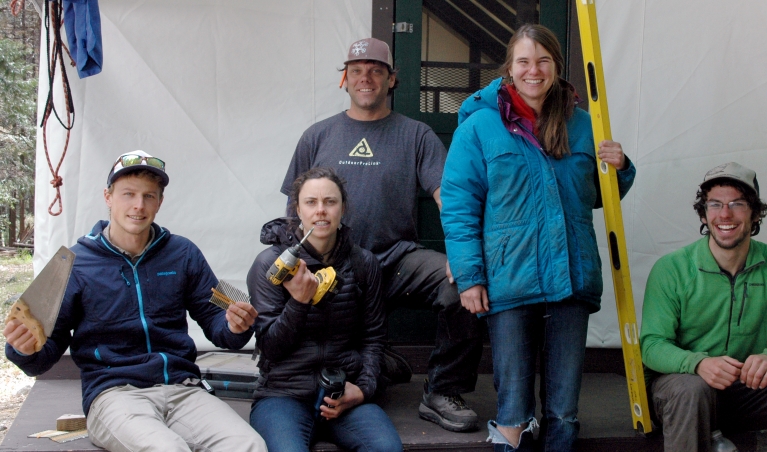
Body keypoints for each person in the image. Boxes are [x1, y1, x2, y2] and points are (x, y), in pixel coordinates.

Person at [440, 24, 636, 451]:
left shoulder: (585, 124)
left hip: (571, 278)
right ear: (509, 69)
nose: (534, 70)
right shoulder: (479, 128)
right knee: (513, 412)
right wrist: (471, 276)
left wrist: (620, 169)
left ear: (556, 67)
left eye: (543, 60)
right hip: (510, 280)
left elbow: (603, 196)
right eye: (524, 61)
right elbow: (459, 205)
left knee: (564, 413)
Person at [281, 37, 483, 432]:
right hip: (335, 269)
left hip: (395, 261)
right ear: (344, 79)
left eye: (376, 71)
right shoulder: (317, 136)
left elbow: (450, 200)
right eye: (357, 71)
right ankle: (385, 365)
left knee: (461, 287)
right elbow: (295, 210)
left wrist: (467, 258)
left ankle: (442, 391)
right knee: (325, 366)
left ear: (392, 79)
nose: (366, 78)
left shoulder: (417, 135)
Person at [3, 150, 266, 452]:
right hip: (114, 395)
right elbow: (45, 352)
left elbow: (218, 325)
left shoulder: (182, 253)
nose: (138, 206)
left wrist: (236, 326)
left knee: (249, 445)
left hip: (183, 390)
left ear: (160, 202)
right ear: (108, 196)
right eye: (128, 194)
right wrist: (22, 349)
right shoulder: (76, 263)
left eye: (149, 196)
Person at [640, 162, 767, 451]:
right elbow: (651, 345)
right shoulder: (672, 268)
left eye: (737, 204)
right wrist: (698, 363)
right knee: (692, 389)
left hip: (743, 391)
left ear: (755, 213)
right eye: (715, 204)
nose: (725, 214)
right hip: (680, 391)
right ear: (703, 213)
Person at [247, 167, 403, 452]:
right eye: (311, 202)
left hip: (342, 390)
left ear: (343, 208)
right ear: (297, 209)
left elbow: (374, 338)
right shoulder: (270, 264)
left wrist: (363, 389)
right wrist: (298, 303)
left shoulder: (363, 263)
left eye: (330, 202)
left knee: (386, 449)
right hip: (283, 395)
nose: (321, 211)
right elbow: (270, 348)